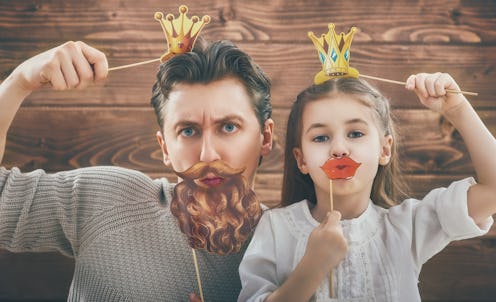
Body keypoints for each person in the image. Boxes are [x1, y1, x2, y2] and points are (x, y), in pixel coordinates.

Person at [0, 39, 274, 301]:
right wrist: (18, 82)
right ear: (165, 147)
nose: (208, 154)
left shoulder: (295, 248)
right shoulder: (106, 200)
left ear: (265, 137)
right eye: (188, 131)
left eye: (228, 127)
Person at [238, 73, 495, 301]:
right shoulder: (274, 228)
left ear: (385, 149)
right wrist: (313, 266)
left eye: (355, 134)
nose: (339, 148)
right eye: (321, 137)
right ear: (302, 159)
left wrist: (458, 108)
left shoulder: (408, 226)